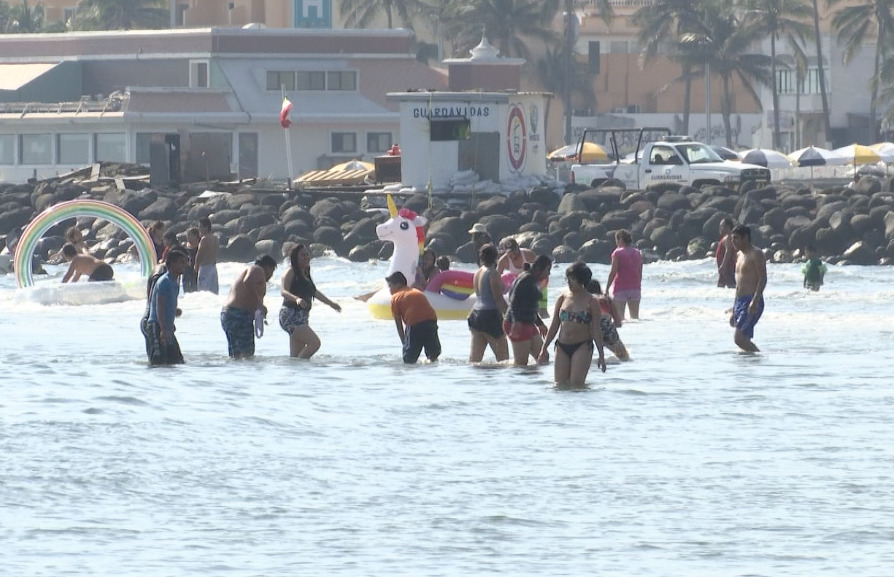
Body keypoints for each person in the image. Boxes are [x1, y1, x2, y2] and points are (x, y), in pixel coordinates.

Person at [538, 262, 607, 385]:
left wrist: (601, 355)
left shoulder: (591, 302)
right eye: (568, 278)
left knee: (576, 385)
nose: (569, 282)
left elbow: (596, 329)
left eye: (572, 279)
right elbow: (554, 325)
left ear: (581, 280)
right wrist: (544, 348)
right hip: (562, 346)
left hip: (582, 346)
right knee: (559, 385)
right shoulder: (562, 298)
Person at [279, 244, 342, 358]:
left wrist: (331, 304)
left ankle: (296, 374)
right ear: (295, 257)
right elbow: (283, 291)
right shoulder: (291, 271)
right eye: (302, 255)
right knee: (315, 343)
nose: (306, 257)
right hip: (290, 315)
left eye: (307, 254)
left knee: (296, 356)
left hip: (302, 317)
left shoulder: (305, 273)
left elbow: (314, 292)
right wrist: (297, 299)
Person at [221, 255, 277, 359]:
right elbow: (247, 281)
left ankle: (237, 374)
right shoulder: (257, 269)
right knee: (247, 354)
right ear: (267, 267)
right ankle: (247, 375)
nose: (271, 275)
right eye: (272, 271)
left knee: (236, 355)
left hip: (230, 314)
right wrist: (259, 305)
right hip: (238, 314)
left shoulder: (253, 273)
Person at [504, 254, 551, 366]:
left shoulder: (533, 280)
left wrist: (540, 324)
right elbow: (513, 301)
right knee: (521, 364)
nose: (549, 273)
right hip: (516, 323)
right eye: (547, 270)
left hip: (528, 322)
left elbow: (530, 305)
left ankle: (534, 382)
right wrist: (516, 321)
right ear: (539, 269)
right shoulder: (525, 280)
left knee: (543, 356)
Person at [143, 249, 188, 366]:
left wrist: (171, 323)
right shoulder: (164, 282)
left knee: (177, 360)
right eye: (182, 262)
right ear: (172, 264)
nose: (185, 265)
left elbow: (171, 304)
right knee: (158, 362)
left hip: (166, 327)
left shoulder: (175, 282)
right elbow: (160, 307)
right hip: (156, 325)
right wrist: (163, 329)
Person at [386, 271, 441, 364]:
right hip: (431, 321)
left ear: (398, 285)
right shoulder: (416, 291)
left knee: (409, 359)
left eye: (390, 286)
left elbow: (398, 324)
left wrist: (404, 343)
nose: (389, 289)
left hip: (415, 324)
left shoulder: (395, 297)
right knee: (433, 355)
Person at [467, 244, 509, 363]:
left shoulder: (477, 273)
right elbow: (498, 299)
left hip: (475, 315)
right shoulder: (493, 273)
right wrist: (511, 317)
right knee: (504, 360)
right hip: (490, 317)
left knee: (474, 361)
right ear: (496, 257)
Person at [730, 224, 767, 352]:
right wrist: (734, 307)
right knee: (743, 339)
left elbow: (763, 279)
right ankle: (749, 366)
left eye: (735, 238)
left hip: (752, 300)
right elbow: (739, 283)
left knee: (739, 339)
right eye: (732, 239)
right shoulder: (739, 255)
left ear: (745, 238)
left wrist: (755, 301)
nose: (732, 241)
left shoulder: (756, 254)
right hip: (740, 301)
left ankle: (758, 357)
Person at [586, 279, 630, 361]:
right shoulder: (607, 299)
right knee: (624, 357)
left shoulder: (585, 300)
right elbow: (618, 323)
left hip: (588, 327)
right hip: (606, 326)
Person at [606, 229, 643, 321]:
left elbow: (613, 272)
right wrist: (637, 285)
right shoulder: (637, 253)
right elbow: (640, 272)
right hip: (635, 288)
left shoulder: (617, 253)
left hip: (620, 288)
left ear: (620, 240)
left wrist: (607, 288)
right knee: (635, 319)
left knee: (620, 319)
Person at [195, 216, 219, 294]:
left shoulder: (204, 239)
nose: (199, 229)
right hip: (213, 267)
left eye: (201, 227)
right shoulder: (215, 238)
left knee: (203, 293)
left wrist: (196, 265)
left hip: (205, 268)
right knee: (213, 293)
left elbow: (199, 253)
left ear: (206, 227)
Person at [716, 217, 737, 289]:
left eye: (722, 226)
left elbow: (728, 251)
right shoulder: (728, 237)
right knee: (721, 286)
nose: (720, 228)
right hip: (726, 268)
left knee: (731, 286)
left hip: (727, 268)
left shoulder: (729, 237)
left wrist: (723, 265)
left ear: (727, 227)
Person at [181, 227, 200, 293]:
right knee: (186, 287)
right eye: (187, 235)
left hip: (196, 269)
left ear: (196, 236)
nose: (187, 237)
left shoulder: (200, 245)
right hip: (186, 269)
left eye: (189, 235)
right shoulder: (184, 245)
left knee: (195, 288)